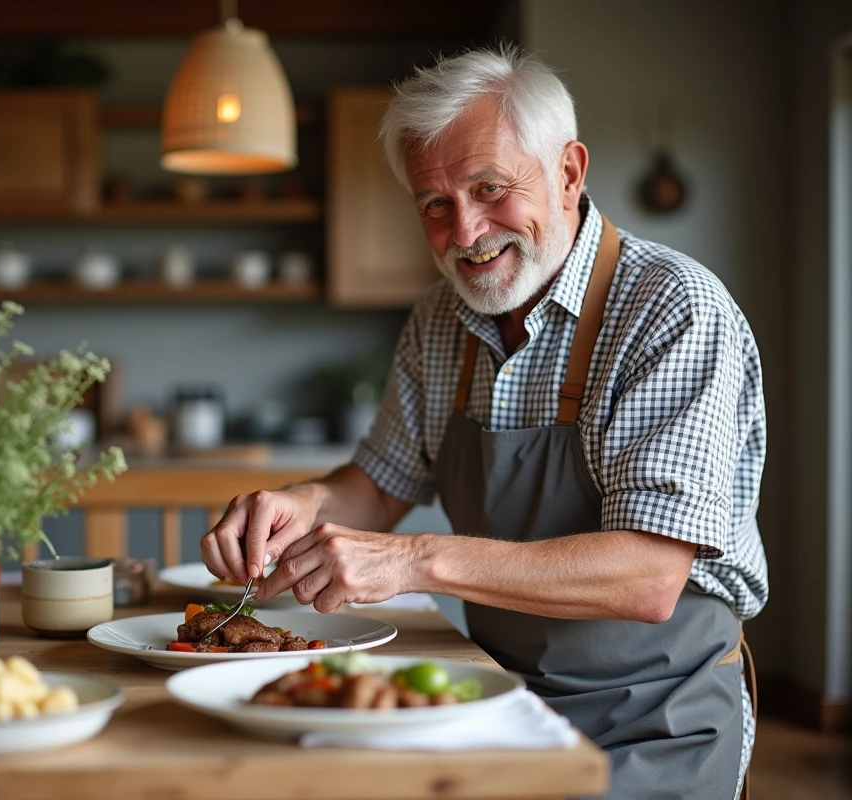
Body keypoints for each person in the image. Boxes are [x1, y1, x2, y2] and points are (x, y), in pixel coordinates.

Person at [200, 44, 767, 800]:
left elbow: (648, 577)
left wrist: (410, 561)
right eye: (436, 203)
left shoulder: (673, 311)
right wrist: (301, 503)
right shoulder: (442, 319)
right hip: (492, 697)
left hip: (653, 723)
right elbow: (377, 484)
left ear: (568, 173)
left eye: (489, 188)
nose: (465, 233)